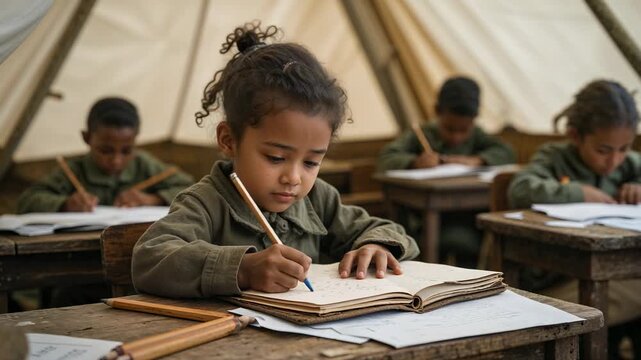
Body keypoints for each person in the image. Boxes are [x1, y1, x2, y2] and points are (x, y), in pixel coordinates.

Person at [131, 22, 420, 298]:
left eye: (310, 163)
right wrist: (242, 269)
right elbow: (150, 258)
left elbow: (386, 229)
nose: (294, 178)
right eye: (276, 157)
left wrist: (376, 245)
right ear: (229, 140)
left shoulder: (319, 200)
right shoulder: (206, 203)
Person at [508, 80, 641, 346]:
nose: (614, 160)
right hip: (556, 280)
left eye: (624, 149)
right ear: (575, 135)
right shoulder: (554, 157)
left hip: (608, 273)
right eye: (603, 150)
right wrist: (580, 193)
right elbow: (520, 189)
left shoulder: (628, 166)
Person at [377, 76, 515, 266]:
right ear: (437, 112)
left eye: (464, 130)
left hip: (470, 222)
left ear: (474, 121)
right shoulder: (421, 134)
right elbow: (386, 158)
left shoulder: (477, 135)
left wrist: (477, 160)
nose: (457, 137)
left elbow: (506, 152)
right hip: (426, 223)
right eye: (449, 129)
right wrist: (414, 162)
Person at [17, 97, 194, 214]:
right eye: (106, 150)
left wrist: (153, 199)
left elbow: (191, 189)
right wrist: (66, 204)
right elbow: (27, 201)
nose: (117, 160)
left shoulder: (145, 165)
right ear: (87, 138)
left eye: (126, 151)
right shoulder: (74, 171)